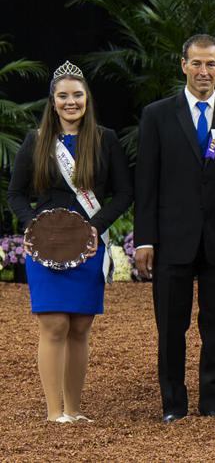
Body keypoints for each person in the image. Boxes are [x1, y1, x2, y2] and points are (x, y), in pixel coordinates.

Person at [134, 34, 215, 423]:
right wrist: (145, 240)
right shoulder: (157, 115)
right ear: (183, 65)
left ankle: (214, 403)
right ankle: (173, 404)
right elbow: (146, 183)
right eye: (197, 63)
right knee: (172, 327)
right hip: (172, 241)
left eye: (211, 64)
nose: (204, 71)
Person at [6, 61, 132, 423]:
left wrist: (96, 227)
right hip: (45, 245)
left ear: (87, 99)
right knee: (54, 324)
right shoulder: (36, 141)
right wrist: (33, 226)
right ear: (53, 100)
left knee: (79, 326)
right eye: (63, 96)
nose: (71, 102)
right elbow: (16, 194)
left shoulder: (105, 140)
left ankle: (74, 410)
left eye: (77, 95)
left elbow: (124, 193)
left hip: (89, 244)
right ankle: (54, 412)